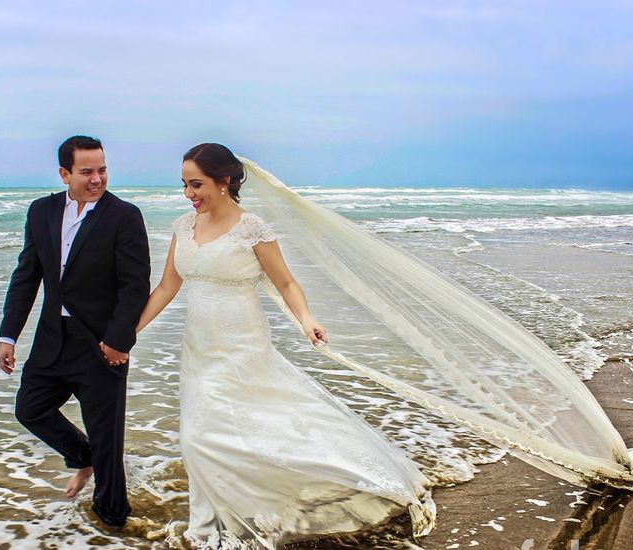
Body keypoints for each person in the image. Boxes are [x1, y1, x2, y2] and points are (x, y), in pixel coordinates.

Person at [136, 143, 434, 547]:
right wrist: (130, 331)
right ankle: (236, 505)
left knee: (200, 436)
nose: (188, 194)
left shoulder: (252, 228)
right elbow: (167, 287)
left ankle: (229, 519)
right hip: (198, 349)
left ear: (224, 181)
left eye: (196, 184)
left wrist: (306, 320)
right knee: (219, 431)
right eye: (185, 185)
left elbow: (286, 282)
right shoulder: (182, 227)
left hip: (243, 346)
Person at [0, 135, 151, 527]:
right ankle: (83, 458)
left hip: (101, 345)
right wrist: (8, 335)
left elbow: (135, 285)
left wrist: (119, 341)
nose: (97, 179)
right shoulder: (41, 212)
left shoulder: (124, 215)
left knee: (107, 440)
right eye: (87, 171)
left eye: (102, 169)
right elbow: (26, 275)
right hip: (52, 339)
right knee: (29, 409)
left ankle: (113, 521)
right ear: (65, 173)